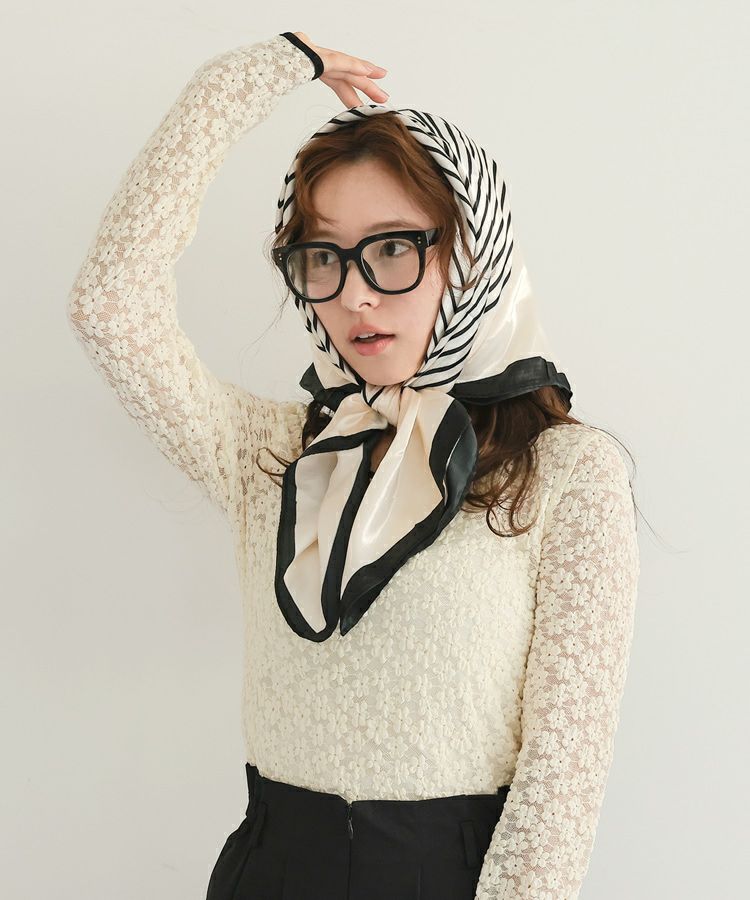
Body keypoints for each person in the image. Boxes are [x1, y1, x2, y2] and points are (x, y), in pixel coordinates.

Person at [66, 29, 640, 900]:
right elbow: (109, 304)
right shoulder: (273, 455)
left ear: (473, 253)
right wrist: (262, 72)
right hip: (267, 870)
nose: (355, 294)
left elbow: (560, 785)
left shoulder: (566, 473)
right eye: (322, 256)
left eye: (394, 247)